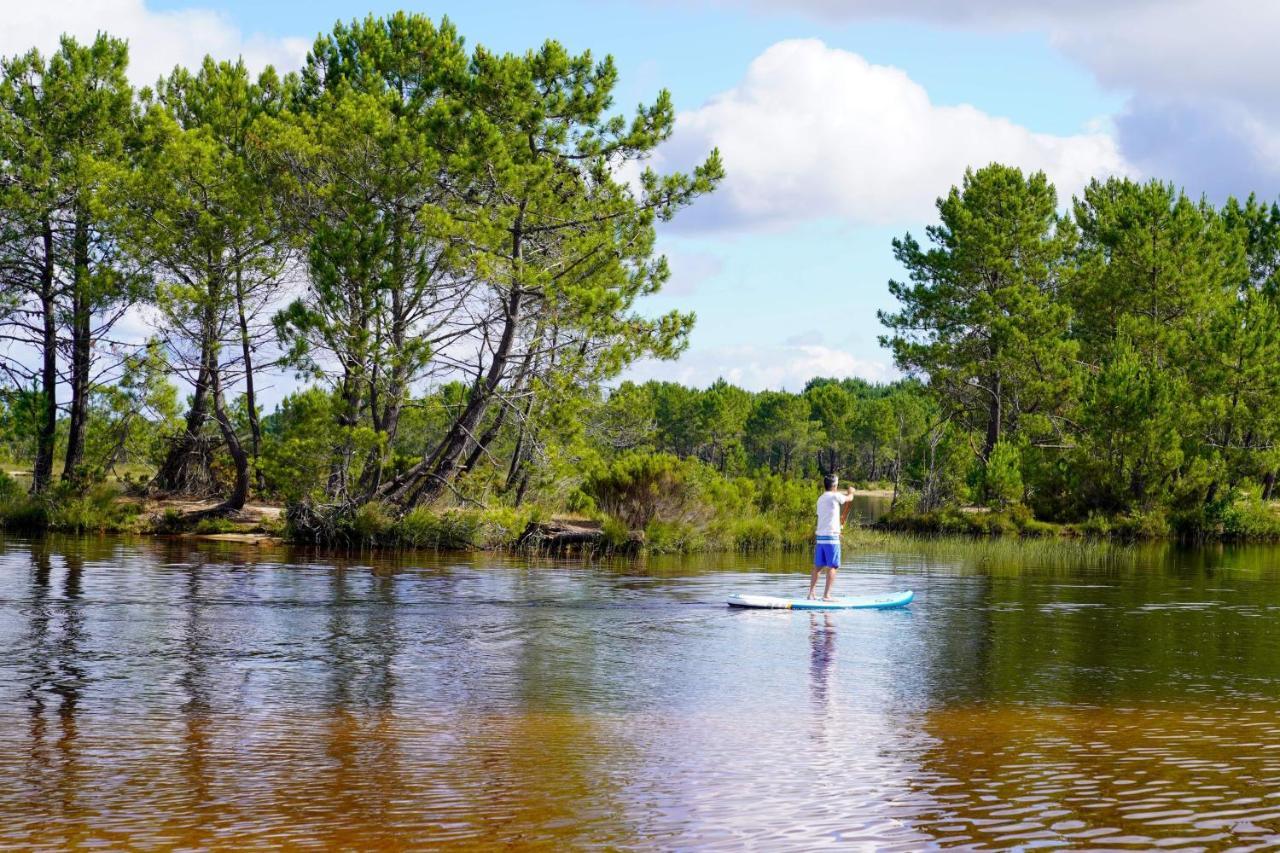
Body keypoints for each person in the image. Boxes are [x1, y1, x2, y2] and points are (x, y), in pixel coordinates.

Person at [809, 473, 855, 601]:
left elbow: (827, 516)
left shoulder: (820, 499)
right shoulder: (835, 496)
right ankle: (826, 596)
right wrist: (851, 491)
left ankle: (811, 594)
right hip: (831, 538)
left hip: (821, 538)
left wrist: (838, 527)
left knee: (818, 567)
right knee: (833, 566)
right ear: (835, 485)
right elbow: (849, 498)